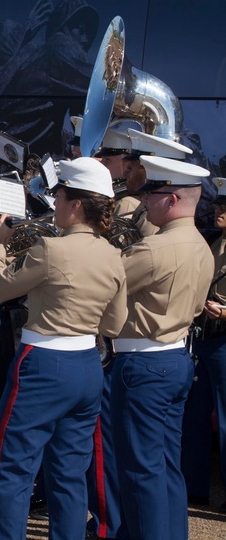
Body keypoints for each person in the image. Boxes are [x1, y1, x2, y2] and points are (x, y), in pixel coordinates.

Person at [0, 157, 128, 540]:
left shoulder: (50, 248)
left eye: (59, 195)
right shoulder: (113, 254)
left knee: (12, 468)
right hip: (87, 365)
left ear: (76, 204)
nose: (55, 202)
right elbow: (113, 324)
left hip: (44, 361)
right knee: (68, 472)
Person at [110, 156, 214, 539]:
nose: (143, 201)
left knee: (140, 472)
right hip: (174, 357)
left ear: (171, 199)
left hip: (143, 363)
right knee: (165, 468)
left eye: (151, 193)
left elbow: (103, 283)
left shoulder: (154, 249)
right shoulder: (200, 244)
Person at [182, 175, 226, 512]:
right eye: (218, 205)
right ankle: (193, 487)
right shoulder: (213, 241)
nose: (218, 212)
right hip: (206, 338)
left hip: (223, 338)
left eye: (225, 208)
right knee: (195, 416)